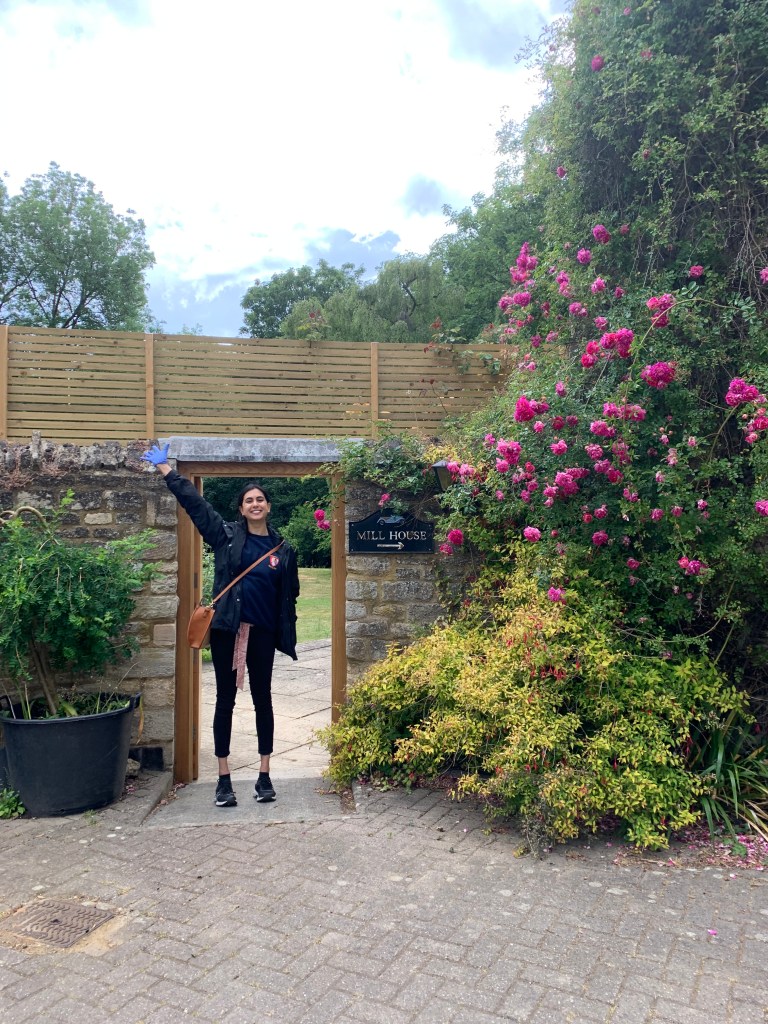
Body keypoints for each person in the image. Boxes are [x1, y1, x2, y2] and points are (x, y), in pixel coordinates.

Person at [141, 443, 300, 808]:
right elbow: (196, 506)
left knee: (263, 699)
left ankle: (264, 775)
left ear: (268, 506)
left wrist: (284, 631)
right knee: (225, 700)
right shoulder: (225, 536)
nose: (255, 504)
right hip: (228, 630)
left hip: (263, 635)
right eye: (249, 501)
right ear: (241, 509)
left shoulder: (283, 549)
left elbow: (288, 595)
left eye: (260, 499)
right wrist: (166, 470)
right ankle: (223, 779)